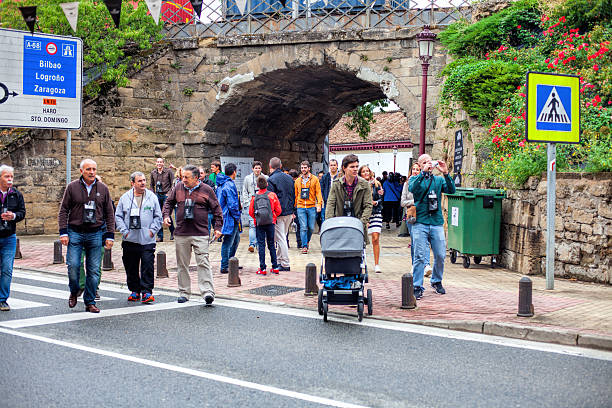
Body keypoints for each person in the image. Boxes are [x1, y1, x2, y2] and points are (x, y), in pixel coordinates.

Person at [58, 159, 115, 313]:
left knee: (94, 270)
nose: (92, 172)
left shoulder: (103, 188)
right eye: (88, 169)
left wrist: (110, 235)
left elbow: (109, 213)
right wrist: (63, 232)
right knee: (74, 266)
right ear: (81, 171)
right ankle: (74, 290)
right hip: (75, 232)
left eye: (94, 169)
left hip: (95, 233)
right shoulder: (72, 187)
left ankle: (89, 301)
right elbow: (63, 210)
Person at [163, 164, 223, 304]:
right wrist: (166, 216)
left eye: (186, 177)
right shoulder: (178, 187)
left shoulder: (207, 190)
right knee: (182, 264)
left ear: (196, 178)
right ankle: (184, 292)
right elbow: (168, 203)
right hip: (182, 233)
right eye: (182, 176)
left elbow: (217, 210)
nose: (183, 179)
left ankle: (207, 292)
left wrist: (218, 228)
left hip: (200, 233)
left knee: (203, 262)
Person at [408, 154, 455, 300]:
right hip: (420, 222)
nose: (428, 164)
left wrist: (446, 173)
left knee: (440, 254)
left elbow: (451, 190)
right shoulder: (415, 179)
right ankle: (417, 285)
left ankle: (436, 280)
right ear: (420, 165)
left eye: (430, 161)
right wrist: (423, 173)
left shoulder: (438, 180)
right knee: (420, 256)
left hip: (436, 222)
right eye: (424, 162)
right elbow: (412, 189)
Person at [115, 172, 162, 303]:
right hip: (130, 238)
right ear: (132, 183)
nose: (143, 183)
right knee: (131, 266)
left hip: (147, 239)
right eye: (139, 181)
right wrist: (124, 231)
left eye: (144, 180)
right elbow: (118, 216)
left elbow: (158, 216)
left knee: (147, 265)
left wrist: (152, 231)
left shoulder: (152, 197)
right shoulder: (125, 198)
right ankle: (135, 291)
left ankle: (147, 292)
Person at [325, 154, 372, 245]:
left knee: (356, 253)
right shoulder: (336, 184)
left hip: (357, 223)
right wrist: (330, 224)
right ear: (344, 168)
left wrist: (361, 223)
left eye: (357, 166)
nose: (355, 169)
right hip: (340, 223)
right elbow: (330, 204)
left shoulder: (364, 184)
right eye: (352, 167)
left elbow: (368, 206)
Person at [0, 165, 26, 312]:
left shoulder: (16, 194)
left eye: (11, 177)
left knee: (7, 269)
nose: (10, 179)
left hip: (9, 236)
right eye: (6, 176)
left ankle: (2, 300)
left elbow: (22, 212)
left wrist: (14, 216)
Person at [402, 163, 432, 277]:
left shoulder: (426, 183)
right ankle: (415, 264)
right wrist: (414, 202)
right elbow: (402, 202)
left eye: (418, 169)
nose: (415, 171)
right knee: (414, 241)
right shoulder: (407, 184)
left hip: (424, 215)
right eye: (413, 169)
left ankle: (427, 265)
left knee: (424, 241)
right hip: (412, 215)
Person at [249, 176, 282, 275]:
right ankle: (275, 266)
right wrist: (273, 216)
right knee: (271, 244)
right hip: (270, 222)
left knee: (261, 244)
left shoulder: (254, 197)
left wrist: (257, 218)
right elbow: (279, 210)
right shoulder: (272, 195)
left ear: (258, 186)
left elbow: (251, 212)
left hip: (259, 223)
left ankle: (262, 268)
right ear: (267, 184)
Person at [267, 158, 295, 271]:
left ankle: (285, 263)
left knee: (280, 238)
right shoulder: (289, 178)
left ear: (270, 166)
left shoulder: (271, 180)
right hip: (289, 211)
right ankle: (279, 260)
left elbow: (271, 198)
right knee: (282, 236)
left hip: (278, 213)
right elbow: (293, 194)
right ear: (281, 165)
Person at [216, 163, 241, 274]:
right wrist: (237, 216)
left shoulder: (222, 184)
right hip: (230, 217)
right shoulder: (229, 185)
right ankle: (225, 265)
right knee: (228, 241)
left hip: (225, 215)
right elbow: (232, 204)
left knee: (235, 240)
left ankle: (231, 262)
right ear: (234, 172)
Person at [294, 160, 323, 254]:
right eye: (302, 168)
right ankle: (304, 246)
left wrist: (319, 204)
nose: (303, 169)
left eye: (305, 167)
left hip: (311, 206)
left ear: (309, 168)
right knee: (303, 227)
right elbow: (295, 194)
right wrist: (294, 208)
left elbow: (318, 193)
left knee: (310, 227)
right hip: (301, 207)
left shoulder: (315, 179)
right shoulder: (298, 181)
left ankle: (307, 240)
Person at [358, 165, 383, 273]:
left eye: (367, 171)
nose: (366, 173)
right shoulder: (359, 185)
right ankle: (362, 259)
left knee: (375, 238)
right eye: (363, 171)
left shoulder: (377, 184)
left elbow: (382, 198)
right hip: (364, 214)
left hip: (376, 212)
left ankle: (377, 264)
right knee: (362, 239)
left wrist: (376, 202)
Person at [242, 161, 267, 253]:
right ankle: (252, 244)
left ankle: (260, 244)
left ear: (261, 169)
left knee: (261, 225)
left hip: (262, 204)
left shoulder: (265, 178)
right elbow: (244, 190)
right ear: (252, 169)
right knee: (252, 225)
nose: (257, 170)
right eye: (255, 168)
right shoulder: (248, 178)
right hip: (251, 203)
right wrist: (246, 203)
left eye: (259, 168)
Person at [150, 157, 175, 242]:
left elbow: (173, 183)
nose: (159, 163)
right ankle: (160, 236)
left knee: (165, 213)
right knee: (158, 214)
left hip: (166, 194)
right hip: (157, 194)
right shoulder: (153, 172)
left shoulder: (168, 171)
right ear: (155, 163)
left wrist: (169, 193)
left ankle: (172, 231)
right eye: (158, 162)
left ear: (163, 163)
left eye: (161, 162)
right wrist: (153, 194)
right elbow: (151, 185)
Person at [320, 159, 339, 225]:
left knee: (337, 218)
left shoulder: (341, 176)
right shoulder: (324, 177)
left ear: (337, 166)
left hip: (338, 201)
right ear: (329, 166)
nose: (333, 167)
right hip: (327, 201)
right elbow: (321, 189)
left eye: (334, 165)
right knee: (326, 219)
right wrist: (323, 198)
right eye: (331, 165)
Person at [287, 169, 302, 249]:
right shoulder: (298, 184)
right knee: (298, 226)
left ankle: (286, 242)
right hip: (296, 206)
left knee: (286, 227)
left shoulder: (286, 184)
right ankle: (299, 242)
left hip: (288, 207)